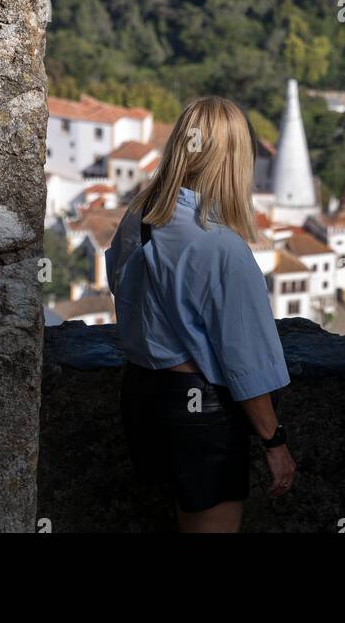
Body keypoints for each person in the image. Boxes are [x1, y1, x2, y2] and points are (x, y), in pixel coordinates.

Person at [105, 94, 296, 534]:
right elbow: (244, 360)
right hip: (199, 413)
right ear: (233, 160)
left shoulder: (139, 217)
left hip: (142, 395)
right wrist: (274, 441)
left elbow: (120, 285)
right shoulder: (221, 247)